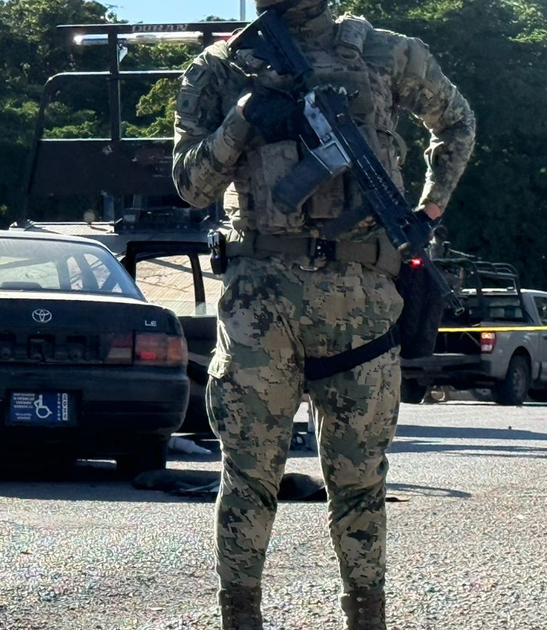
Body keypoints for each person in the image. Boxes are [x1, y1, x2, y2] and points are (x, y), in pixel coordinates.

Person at [172, 2, 475, 628]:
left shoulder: (385, 52)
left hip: (360, 304)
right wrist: (245, 119)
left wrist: (429, 210)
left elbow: (457, 122)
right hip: (260, 308)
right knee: (249, 475)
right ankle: (240, 616)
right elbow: (190, 185)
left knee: (360, 482)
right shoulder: (224, 66)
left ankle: (366, 617)